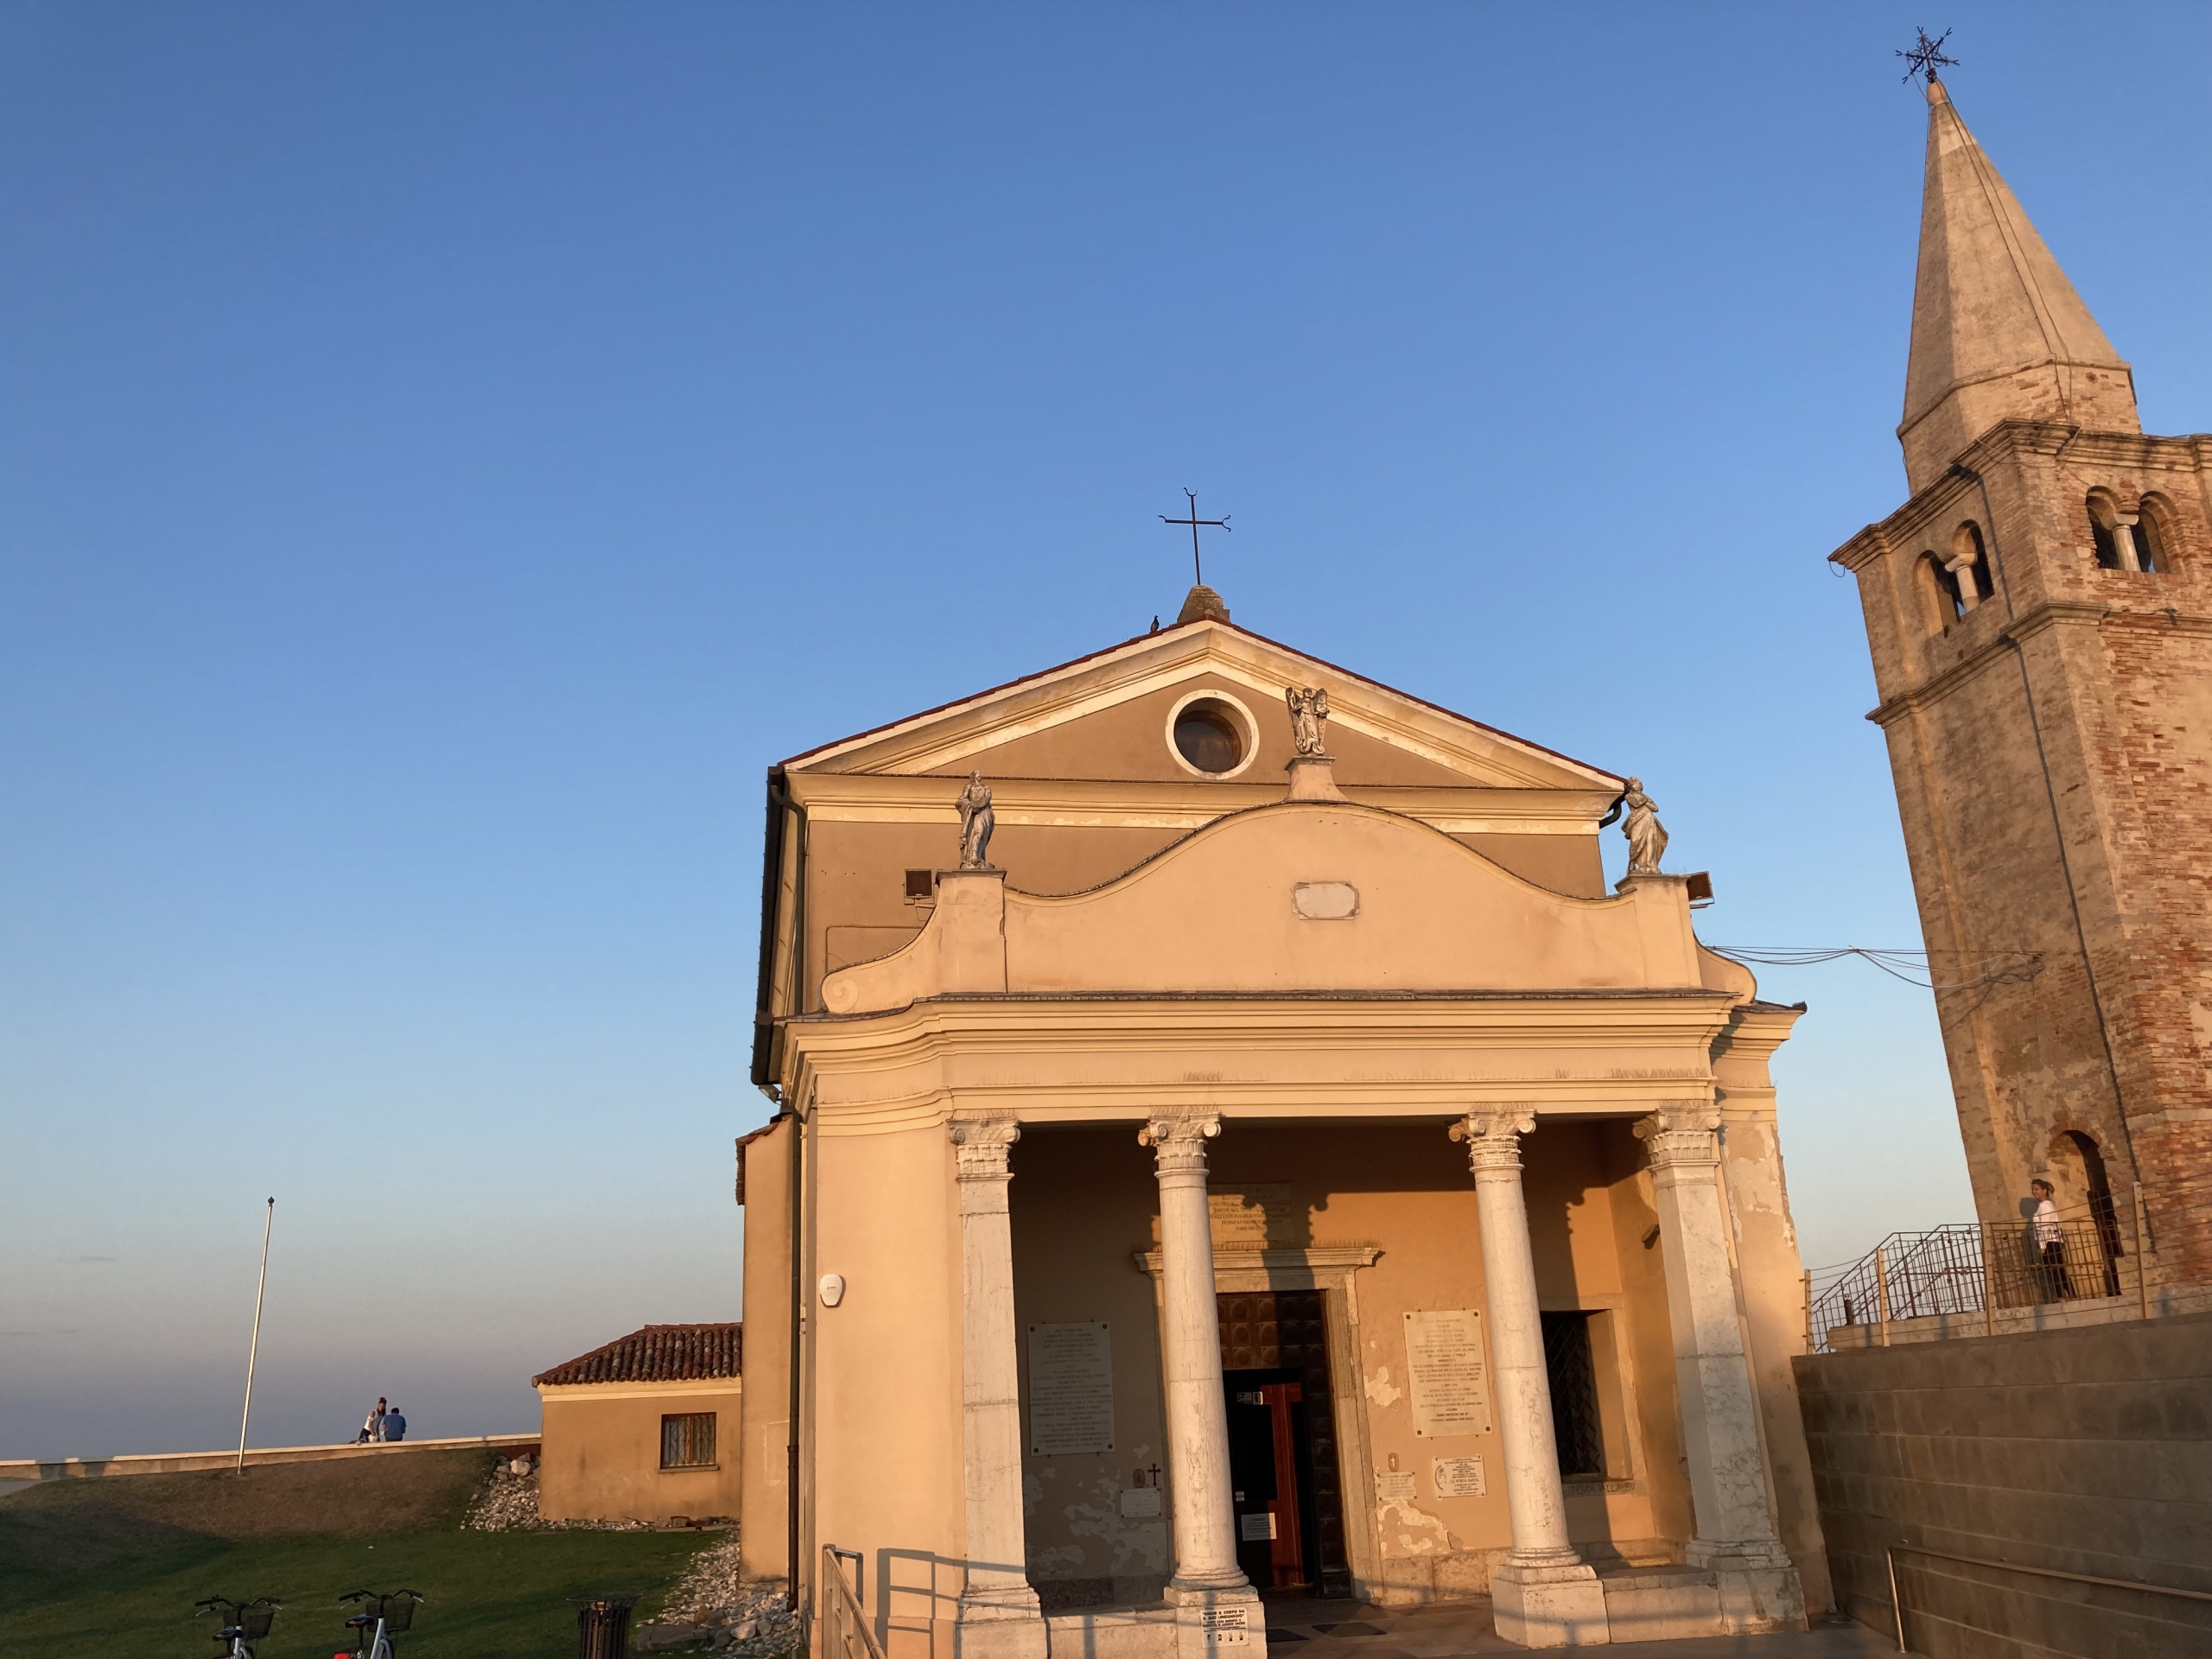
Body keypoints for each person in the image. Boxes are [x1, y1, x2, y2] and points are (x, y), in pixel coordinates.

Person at [2030, 1179, 2072, 1301]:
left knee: (2054, 1270)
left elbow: (2045, 1226)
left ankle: (2062, 1296)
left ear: (2045, 1191)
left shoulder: (2045, 1206)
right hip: (2052, 1241)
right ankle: (2068, 1294)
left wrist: (2042, 1246)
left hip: (2050, 1242)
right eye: (2033, 1189)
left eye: (2037, 1189)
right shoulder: (2044, 1205)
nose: (2034, 1192)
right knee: (2057, 1269)